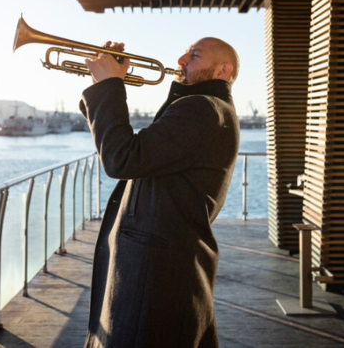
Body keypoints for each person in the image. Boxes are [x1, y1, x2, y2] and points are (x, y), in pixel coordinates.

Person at [79, 37, 240, 348]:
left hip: (153, 275)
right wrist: (107, 84)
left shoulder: (202, 109)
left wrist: (110, 85)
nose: (181, 60)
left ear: (223, 69)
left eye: (194, 55)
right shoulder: (204, 109)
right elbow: (140, 156)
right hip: (162, 265)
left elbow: (122, 157)